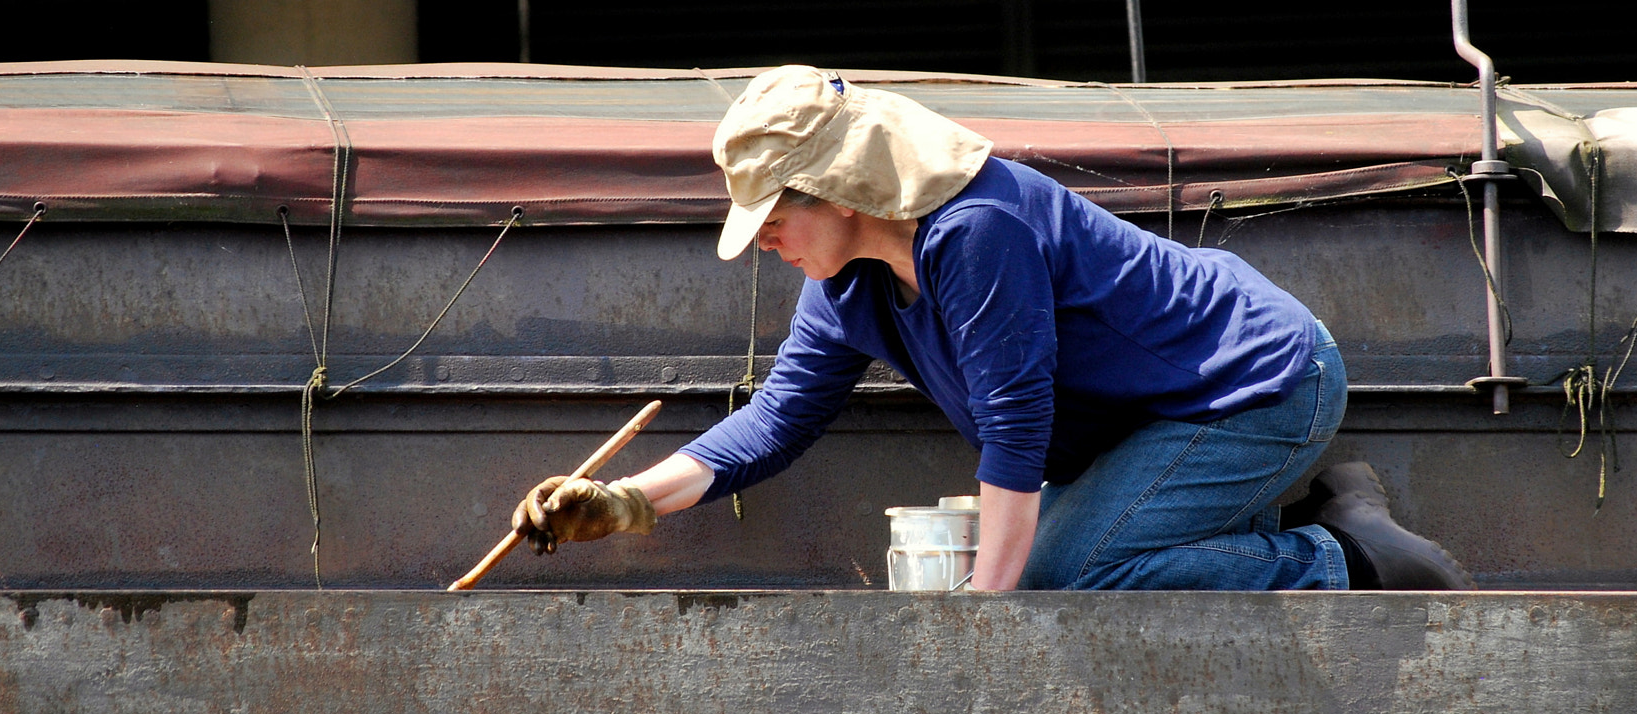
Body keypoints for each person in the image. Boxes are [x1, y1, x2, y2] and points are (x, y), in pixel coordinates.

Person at [513, 65, 1471, 592]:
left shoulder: (977, 230)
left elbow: (1016, 427)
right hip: (1155, 422)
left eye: (771, 215)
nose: (760, 240)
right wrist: (623, 500)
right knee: (1060, 560)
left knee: (1064, 572)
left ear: (839, 189)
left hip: (1256, 384)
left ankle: (1342, 555)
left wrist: (985, 621)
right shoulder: (842, 283)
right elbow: (775, 421)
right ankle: (1290, 517)